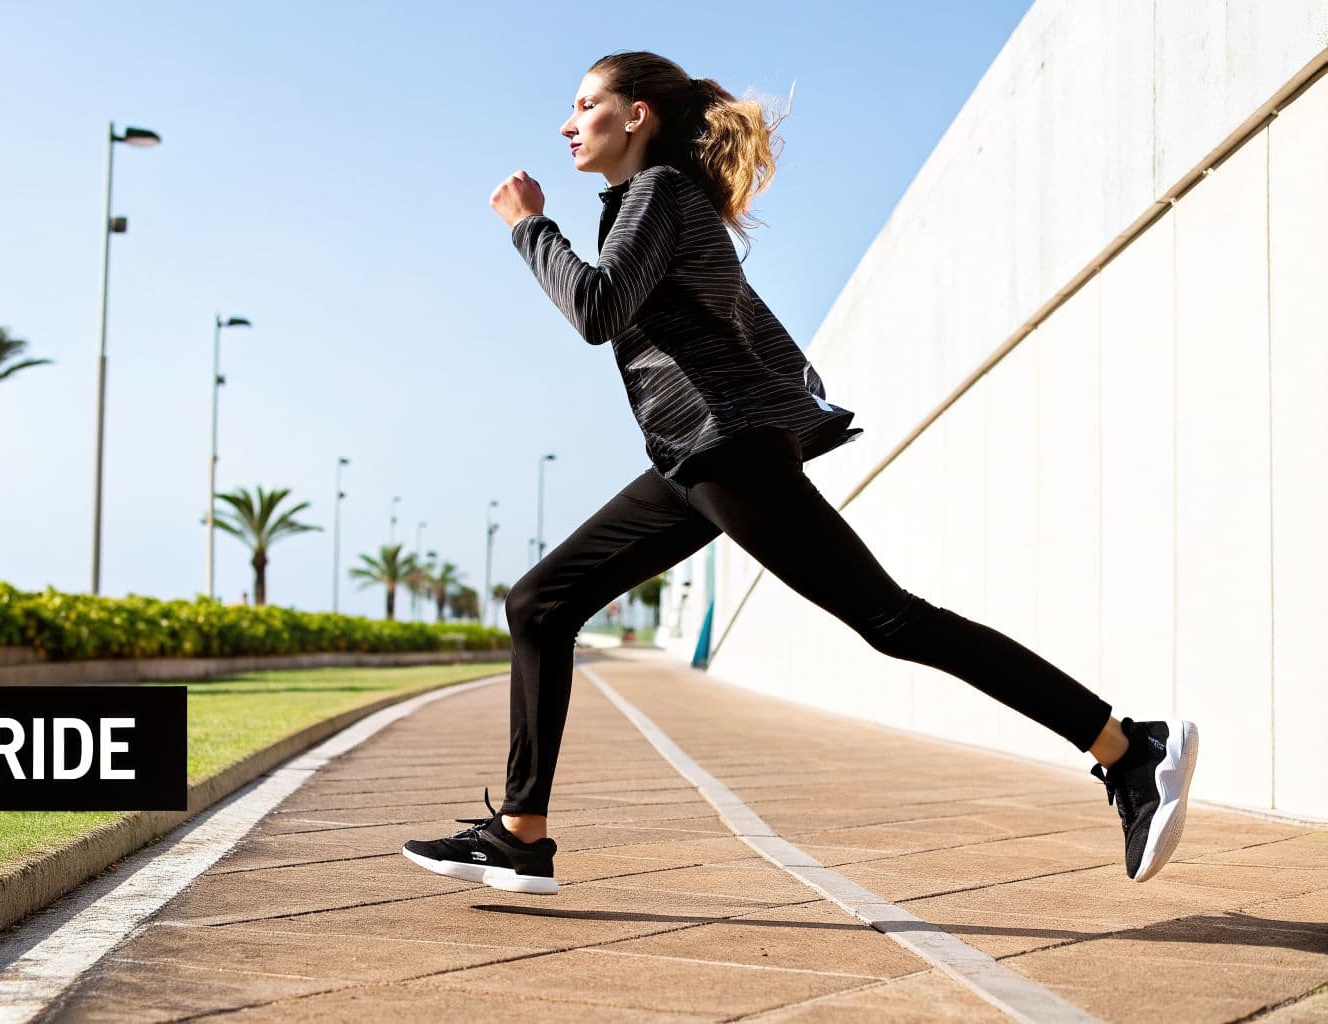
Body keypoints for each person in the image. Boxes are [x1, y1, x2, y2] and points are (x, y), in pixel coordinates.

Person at [401, 50, 1199, 897]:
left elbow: (598, 310)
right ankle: (523, 835)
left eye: (585, 104)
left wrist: (530, 225)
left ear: (635, 115)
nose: (567, 124)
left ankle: (1129, 748)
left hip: (726, 450)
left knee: (892, 620)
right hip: (690, 456)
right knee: (540, 602)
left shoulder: (660, 194)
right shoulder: (656, 203)